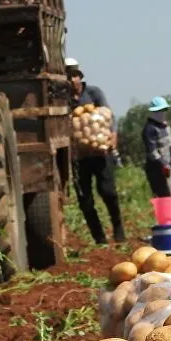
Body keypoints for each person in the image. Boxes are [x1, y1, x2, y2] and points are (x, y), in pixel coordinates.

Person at [67, 58, 124, 244]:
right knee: (85, 200)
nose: (72, 80)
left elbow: (109, 116)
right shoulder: (62, 99)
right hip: (79, 158)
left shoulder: (94, 92)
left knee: (108, 192)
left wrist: (113, 136)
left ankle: (118, 228)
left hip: (101, 153)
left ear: (80, 77)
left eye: (74, 75)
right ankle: (99, 238)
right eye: (68, 76)